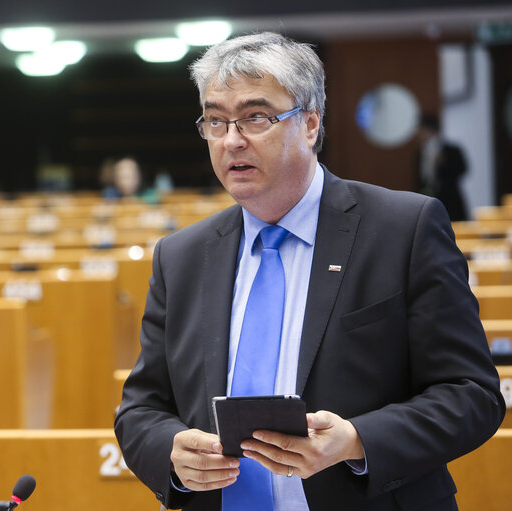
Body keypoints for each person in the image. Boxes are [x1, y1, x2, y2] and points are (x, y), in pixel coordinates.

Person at [114, 32, 504, 511]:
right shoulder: (182, 256)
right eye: (215, 120)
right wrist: (171, 453)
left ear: (311, 124)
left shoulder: (405, 228)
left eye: (255, 117)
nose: (231, 139)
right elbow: (141, 409)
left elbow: (472, 395)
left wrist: (357, 439)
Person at [416, 115, 469, 221]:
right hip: (428, 199)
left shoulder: (451, 149)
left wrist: (443, 163)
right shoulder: (420, 152)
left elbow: (463, 169)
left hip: (451, 200)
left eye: (422, 130)